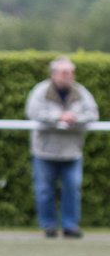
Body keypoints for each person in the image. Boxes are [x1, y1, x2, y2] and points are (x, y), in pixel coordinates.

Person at [25, 56, 99, 238]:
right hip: (45, 151)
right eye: (64, 72)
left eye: (71, 73)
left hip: (72, 152)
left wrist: (75, 118)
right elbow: (32, 112)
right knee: (44, 190)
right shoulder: (40, 91)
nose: (68, 76)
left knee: (72, 189)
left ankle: (70, 226)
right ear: (54, 74)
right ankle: (48, 226)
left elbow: (92, 114)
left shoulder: (81, 92)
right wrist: (58, 117)